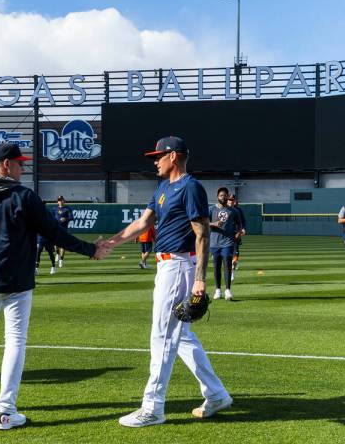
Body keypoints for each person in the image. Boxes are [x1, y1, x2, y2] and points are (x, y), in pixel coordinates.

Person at [0, 142, 108, 430]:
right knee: (15, 341)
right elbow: (54, 232)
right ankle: (6, 411)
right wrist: (90, 250)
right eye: (20, 163)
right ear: (6, 165)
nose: (23, 168)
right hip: (17, 281)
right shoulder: (23, 196)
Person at [104, 136, 232, 428]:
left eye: (158, 156)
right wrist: (112, 242)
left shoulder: (190, 187)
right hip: (166, 266)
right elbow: (143, 223)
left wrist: (200, 280)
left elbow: (202, 234)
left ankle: (153, 406)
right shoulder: (163, 186)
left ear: (174, 156)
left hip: (179, 265)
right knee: (181, 336)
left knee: (162, 335)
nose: (154, 160)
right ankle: (216, 394)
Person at [209, 187, 243, 301]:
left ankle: (228, 290)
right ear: (217, 197)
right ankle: (218, 290)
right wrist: (213, 224)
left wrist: (239, 232)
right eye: (221, 195)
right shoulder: (211, 209)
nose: (223, 197)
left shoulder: (233, 211)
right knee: (216, 266)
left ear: (228, 196)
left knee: (227, 265)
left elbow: (240, 224)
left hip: (228, 242)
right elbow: (203, 223)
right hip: (214, 242)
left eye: (225, 195)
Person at [227, 194, 246, 281]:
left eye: (232, 199)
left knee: (235, 254)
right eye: (229, 199)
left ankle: (232, 273)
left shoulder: (238, 210)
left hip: (236, 234)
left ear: (234, 201)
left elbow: (242, 221)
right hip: (225, 235)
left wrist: (243, 229)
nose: (231, 201)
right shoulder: (223, 209)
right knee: (227, 255)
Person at [54, 195, 73, 267]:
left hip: (64, 229)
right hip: (56, 228)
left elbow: (71, 217)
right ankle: (57, 254)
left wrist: (66, 219)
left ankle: (61, 259)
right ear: (57, 201)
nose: (60, 201)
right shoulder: (54, 209)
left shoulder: (67, 209)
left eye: (61, 200)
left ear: (64, 201)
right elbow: (51, 217)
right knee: (55, 244)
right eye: (59, 200)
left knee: (63, 244)